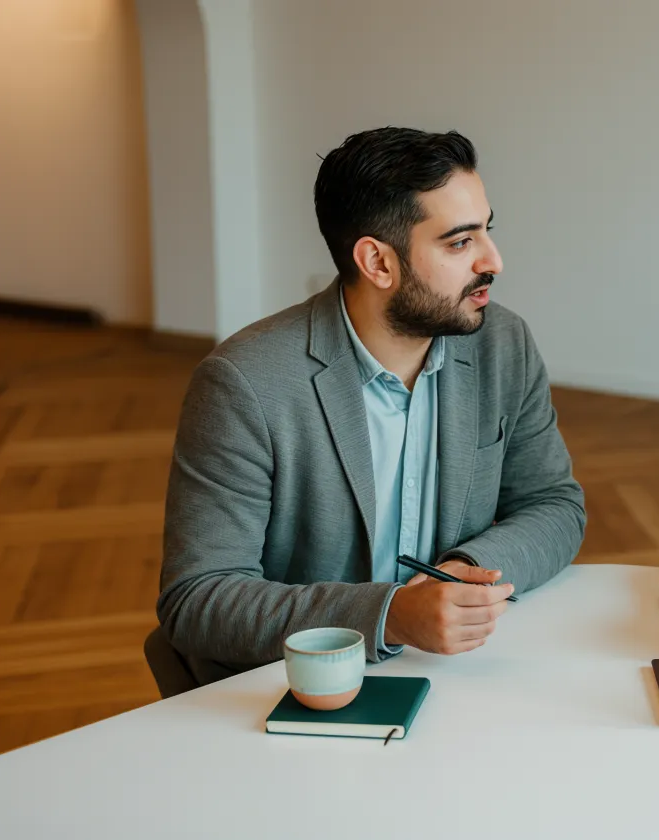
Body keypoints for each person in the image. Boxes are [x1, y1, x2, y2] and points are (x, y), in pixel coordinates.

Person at [149, 127, 586, 694]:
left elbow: (554, 504)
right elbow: (198, 598)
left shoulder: (502, 343)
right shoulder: (244, 383)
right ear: (377, 261)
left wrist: (463, 576)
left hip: (447, 672)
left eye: (487, 230)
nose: (493, 261)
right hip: (297, 692)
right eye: (459, 242)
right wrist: (392, 614)